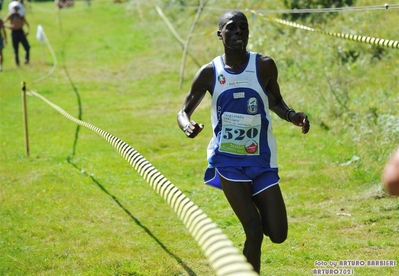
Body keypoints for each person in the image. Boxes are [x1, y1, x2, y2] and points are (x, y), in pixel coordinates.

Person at [177, 10, 310, 273]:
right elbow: (183, 111)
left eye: (243, 27)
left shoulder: (264, 65)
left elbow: (275, 101)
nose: (238, 31)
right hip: (229, 162)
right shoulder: (209, 72)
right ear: (220, 34)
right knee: (253, 230)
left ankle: (257, 213)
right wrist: (187, 126)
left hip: (261, 160)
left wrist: (292, 116)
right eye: (231, 27)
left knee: (278, 233)